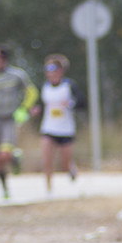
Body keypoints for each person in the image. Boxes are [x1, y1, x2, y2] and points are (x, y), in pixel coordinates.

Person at [0, 45, 38, 198]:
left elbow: (31, 92)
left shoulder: (17, 75)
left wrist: (24, 108)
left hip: (9, 119)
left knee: (5, 153)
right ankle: (4, 189)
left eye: (0, 59)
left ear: (6, 60)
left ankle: (15, 158)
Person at [31, 54, 86, 193]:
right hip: (49, 128)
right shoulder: (44, 87)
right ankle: (49, 188)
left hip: (66, 129)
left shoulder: (69, 85)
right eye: (49, 70)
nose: (51, 73)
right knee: (47, 159)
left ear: (61, 71)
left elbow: (82, 102)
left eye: (54, 69)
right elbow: (39, 103)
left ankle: (71, 168)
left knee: (65, 165)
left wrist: (70, 104)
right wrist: (35, 110)